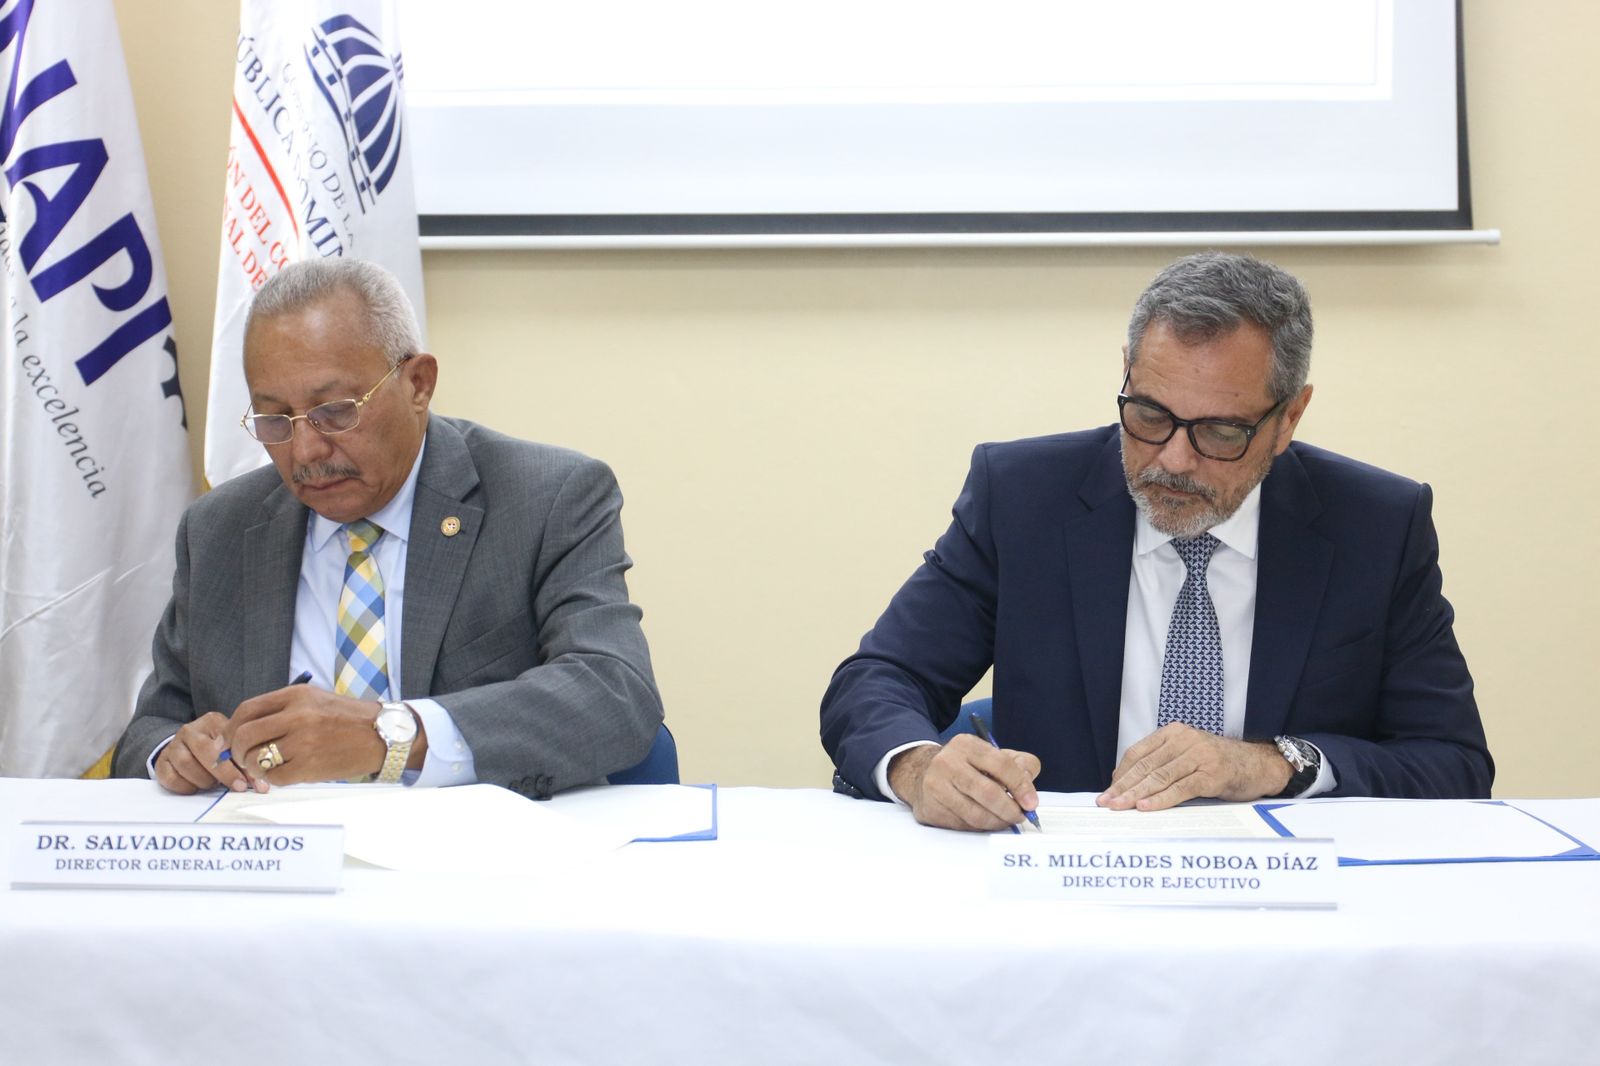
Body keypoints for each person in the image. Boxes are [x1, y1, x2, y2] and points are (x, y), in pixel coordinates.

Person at [820, 251, 1492, 831]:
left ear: (1289, 418)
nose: (1172, 459)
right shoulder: (1024, 498)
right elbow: (878, 679)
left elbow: (1453, 763)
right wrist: (918, 768)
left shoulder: (1376, 527)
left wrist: (1271, 763)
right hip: (1066, 880)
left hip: (1285, 894)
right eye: (1149, 415)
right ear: (1126, 373)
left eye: (1220, 432)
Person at [114, 259, 662, 798]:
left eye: (334, 411)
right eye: (275, 420)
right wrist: (175, 754)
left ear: (418, 384)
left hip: (470, 847)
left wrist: (391, 735)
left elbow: (615, 694)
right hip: (281, 846)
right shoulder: (220, 529)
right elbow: (150, 731)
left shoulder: (544, 498)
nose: (305, 451)